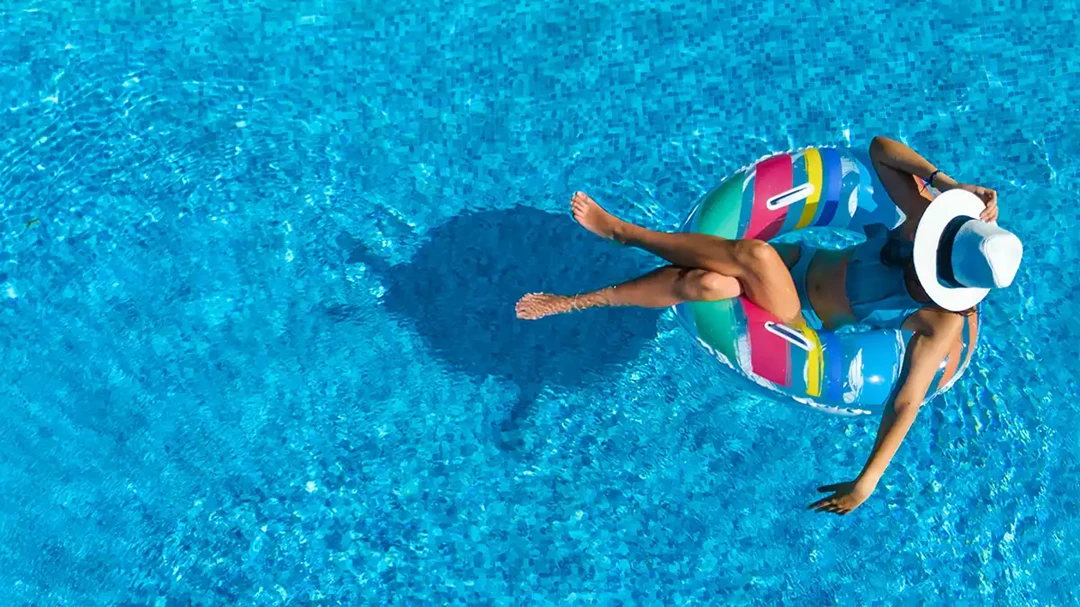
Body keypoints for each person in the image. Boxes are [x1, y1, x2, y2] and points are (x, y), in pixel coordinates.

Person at [515, 136, 1023, 515]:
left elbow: (907, 399)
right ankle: (584, 300)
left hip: (797, 317)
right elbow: (880, 149)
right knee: (706, 286)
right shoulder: (925, 218)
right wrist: (947, 184)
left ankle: (626, 237)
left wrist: (866, 482)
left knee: (752, 255)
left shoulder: (942, 321)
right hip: (795, 261)